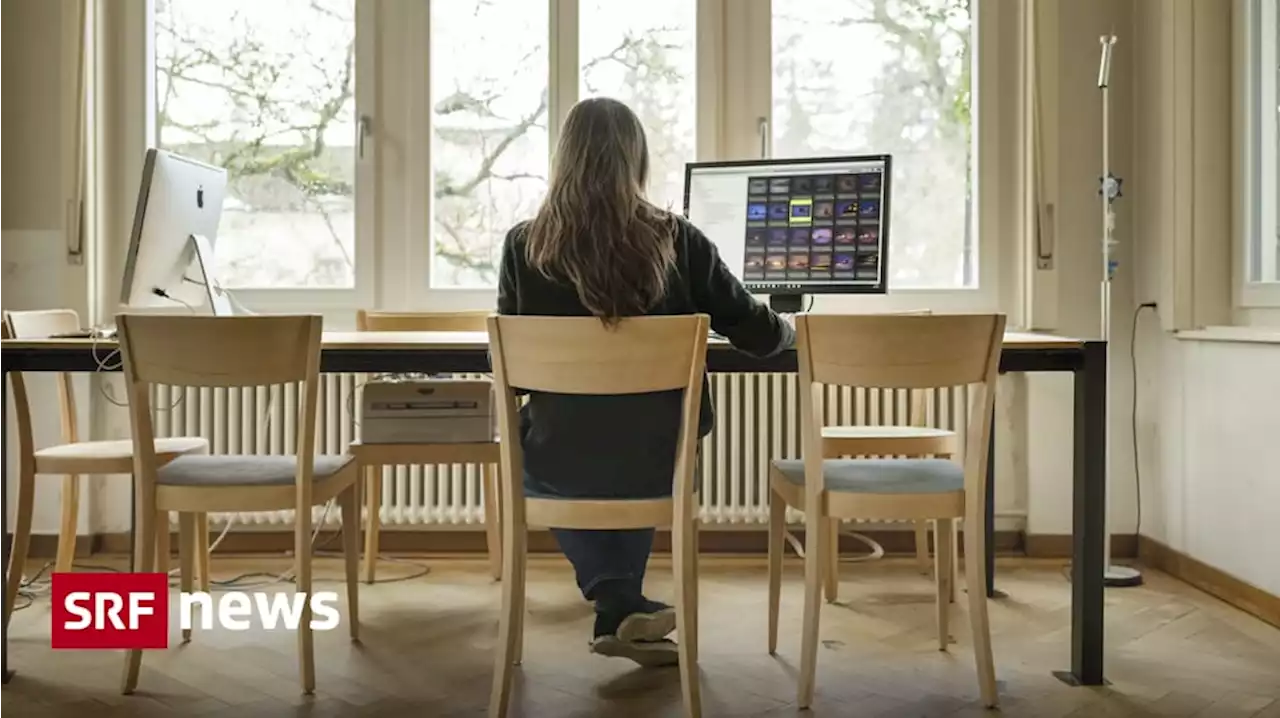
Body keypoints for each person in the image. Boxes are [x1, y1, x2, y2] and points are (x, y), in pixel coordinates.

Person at [496, 97, 794, 668]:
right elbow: (757, 334)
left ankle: (614, 600)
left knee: (550, 448)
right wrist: (789, 330)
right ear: (636, 160)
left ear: (564, 160)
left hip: (559, 458)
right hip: (659, 459)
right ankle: (618, 604)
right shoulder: (677, 240)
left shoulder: (522, 246)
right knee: (637, 433)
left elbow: (510, 377)